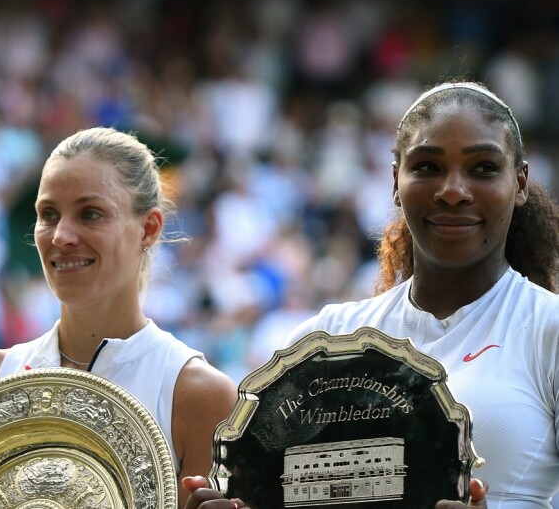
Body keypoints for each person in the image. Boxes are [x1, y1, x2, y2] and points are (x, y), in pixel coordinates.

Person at [183, 80, 559, 509]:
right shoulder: (324, 339)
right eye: (427, 167)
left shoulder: (549, 330)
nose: (453, 190)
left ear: (522, 182)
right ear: (395, 180)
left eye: (484, 167)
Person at [0, 126, 238, 508]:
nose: (61, 235)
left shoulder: (198, 395)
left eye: (90, 214)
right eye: (48, 214)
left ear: (148, 228)